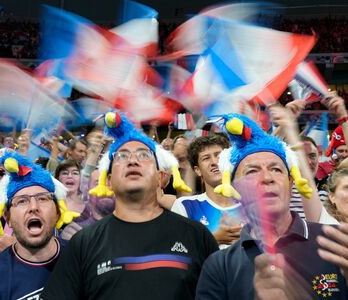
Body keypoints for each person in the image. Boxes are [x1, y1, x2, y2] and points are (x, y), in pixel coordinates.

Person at [195, 114, 348, 299]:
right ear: (235, 187)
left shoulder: (336, 243)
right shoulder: (219, 266)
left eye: (276, 169)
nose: (267, 178)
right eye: (252, 171)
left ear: (290, 182)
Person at [43, 111, 218, 299]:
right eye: (121, 156)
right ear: (108, 181)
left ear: (161, 177)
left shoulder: (197, 236)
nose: (133, 160)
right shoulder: (82, 244)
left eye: (144, 155)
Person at [0, 152, 68, 300]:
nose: (33, 207)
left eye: (42, 199)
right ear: (8, 218)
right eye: (22, 201)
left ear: (58, 212)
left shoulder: (83, 259)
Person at [172, 135, 243, 248]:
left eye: (218, 155)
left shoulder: (251, 205)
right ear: (197, 170)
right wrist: (214, 239)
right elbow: (176, 248)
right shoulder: (185, 206)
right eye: (206, 158)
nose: (214, 162)